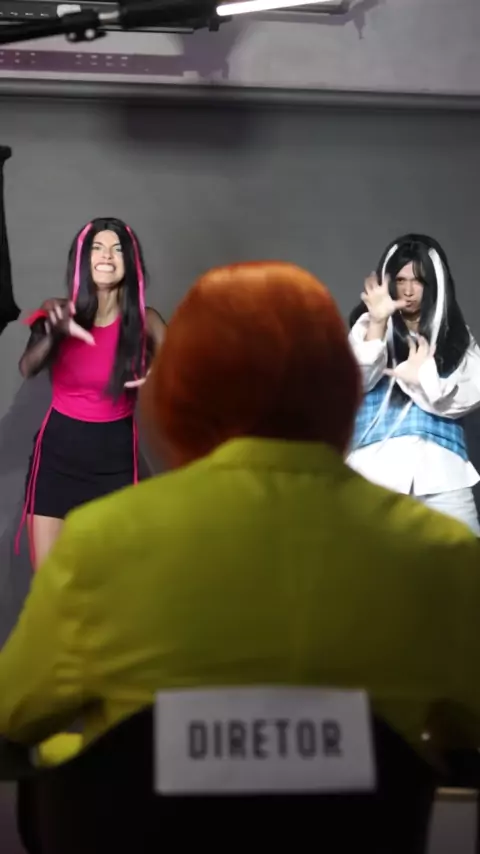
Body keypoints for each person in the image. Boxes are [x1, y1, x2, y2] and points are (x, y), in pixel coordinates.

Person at [0, 261, 479, 775]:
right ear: (345, 395)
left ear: (175, 398)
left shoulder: (98, 544)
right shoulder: (440, 552)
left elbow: (12, 718)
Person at [16, 217, 166, 570]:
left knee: (111, 580)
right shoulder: (57, 310)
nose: (106, 256)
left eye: (116, 249)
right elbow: (27, 367)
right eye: (97, 247)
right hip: (57, 457)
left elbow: (187, 370)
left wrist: (159, 373)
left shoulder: (146, 322)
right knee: (52, 582)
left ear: (130, 261)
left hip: (115, 459)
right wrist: (54, 333)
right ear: (84, 260)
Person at [348, 233, 480, 535]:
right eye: (401, 280)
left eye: (418, 281)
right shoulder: (367, 327)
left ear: (433, 284)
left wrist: (424, 377)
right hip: (375, 467)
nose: (408, 291)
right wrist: (378, 322)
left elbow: (466, 398)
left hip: (442, 469)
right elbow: (355, 382)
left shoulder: (456, 338)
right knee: (370, 559)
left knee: (465, 556)